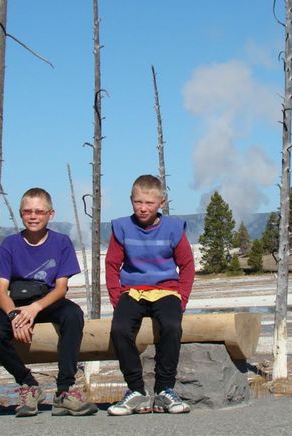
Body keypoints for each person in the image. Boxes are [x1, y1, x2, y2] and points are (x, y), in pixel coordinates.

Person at [0, 187, 97, 418]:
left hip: (48, 300)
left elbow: (61, 288)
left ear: (50, 214)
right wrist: (15, 315)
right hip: (17, 302)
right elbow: (1, 291)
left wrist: (35, 309)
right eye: (27, 211)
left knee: (73, 315)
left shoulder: (61, 242)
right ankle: (28, 384)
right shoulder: (10, 245)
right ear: (21, 214)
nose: (33, 216)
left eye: (39, 211)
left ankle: (64, 390)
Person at [105, 175, 195, 416]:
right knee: (119, 329)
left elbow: (187, 265)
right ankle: (136, 390)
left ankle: (165, 389)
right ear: (131, 201)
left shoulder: (173, 228)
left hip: (166, 290)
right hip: (132, 292)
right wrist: (117, 298)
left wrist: (182, 299)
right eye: (138, 202)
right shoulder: (122, 227)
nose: (143, 208)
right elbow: (112, 264)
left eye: (149, 203)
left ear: (161, 203)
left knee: (172, 326)